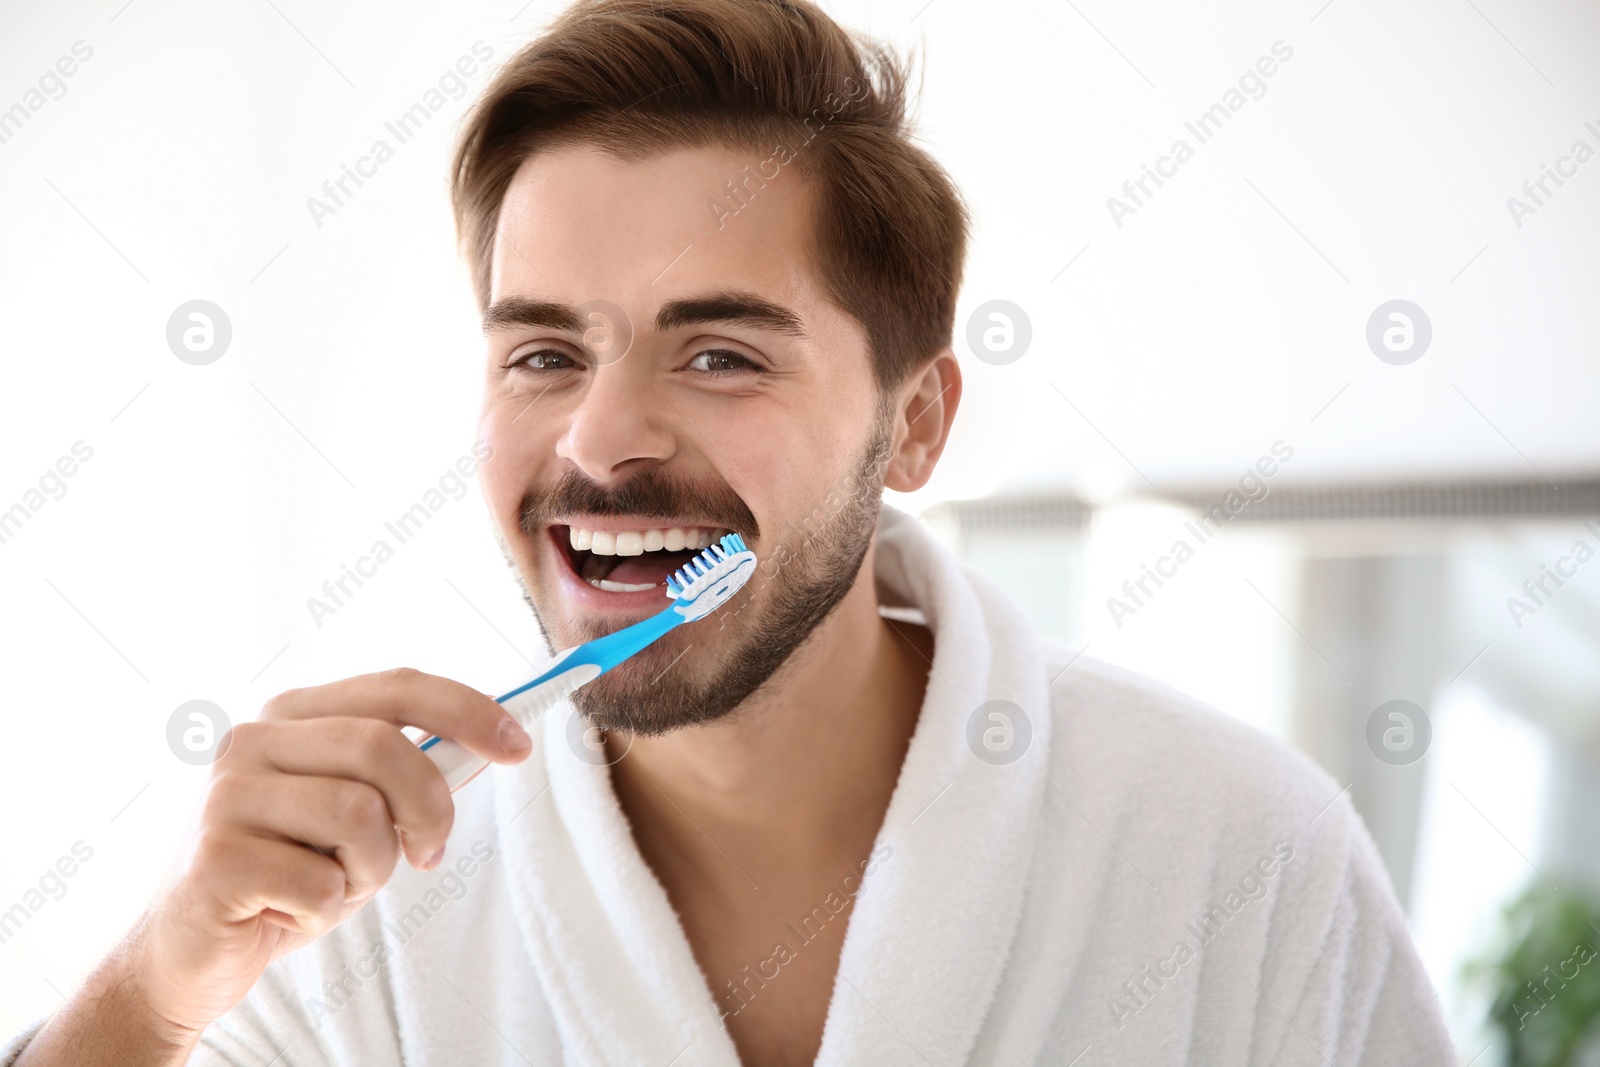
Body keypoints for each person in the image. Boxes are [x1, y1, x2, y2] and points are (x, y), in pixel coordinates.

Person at [7, 0, 1455, 1064]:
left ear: (916, 426)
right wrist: (156, 987)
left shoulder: (1246, 858)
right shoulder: (360, 908)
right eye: (543, 354)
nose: (598, 439)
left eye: (720, 355)